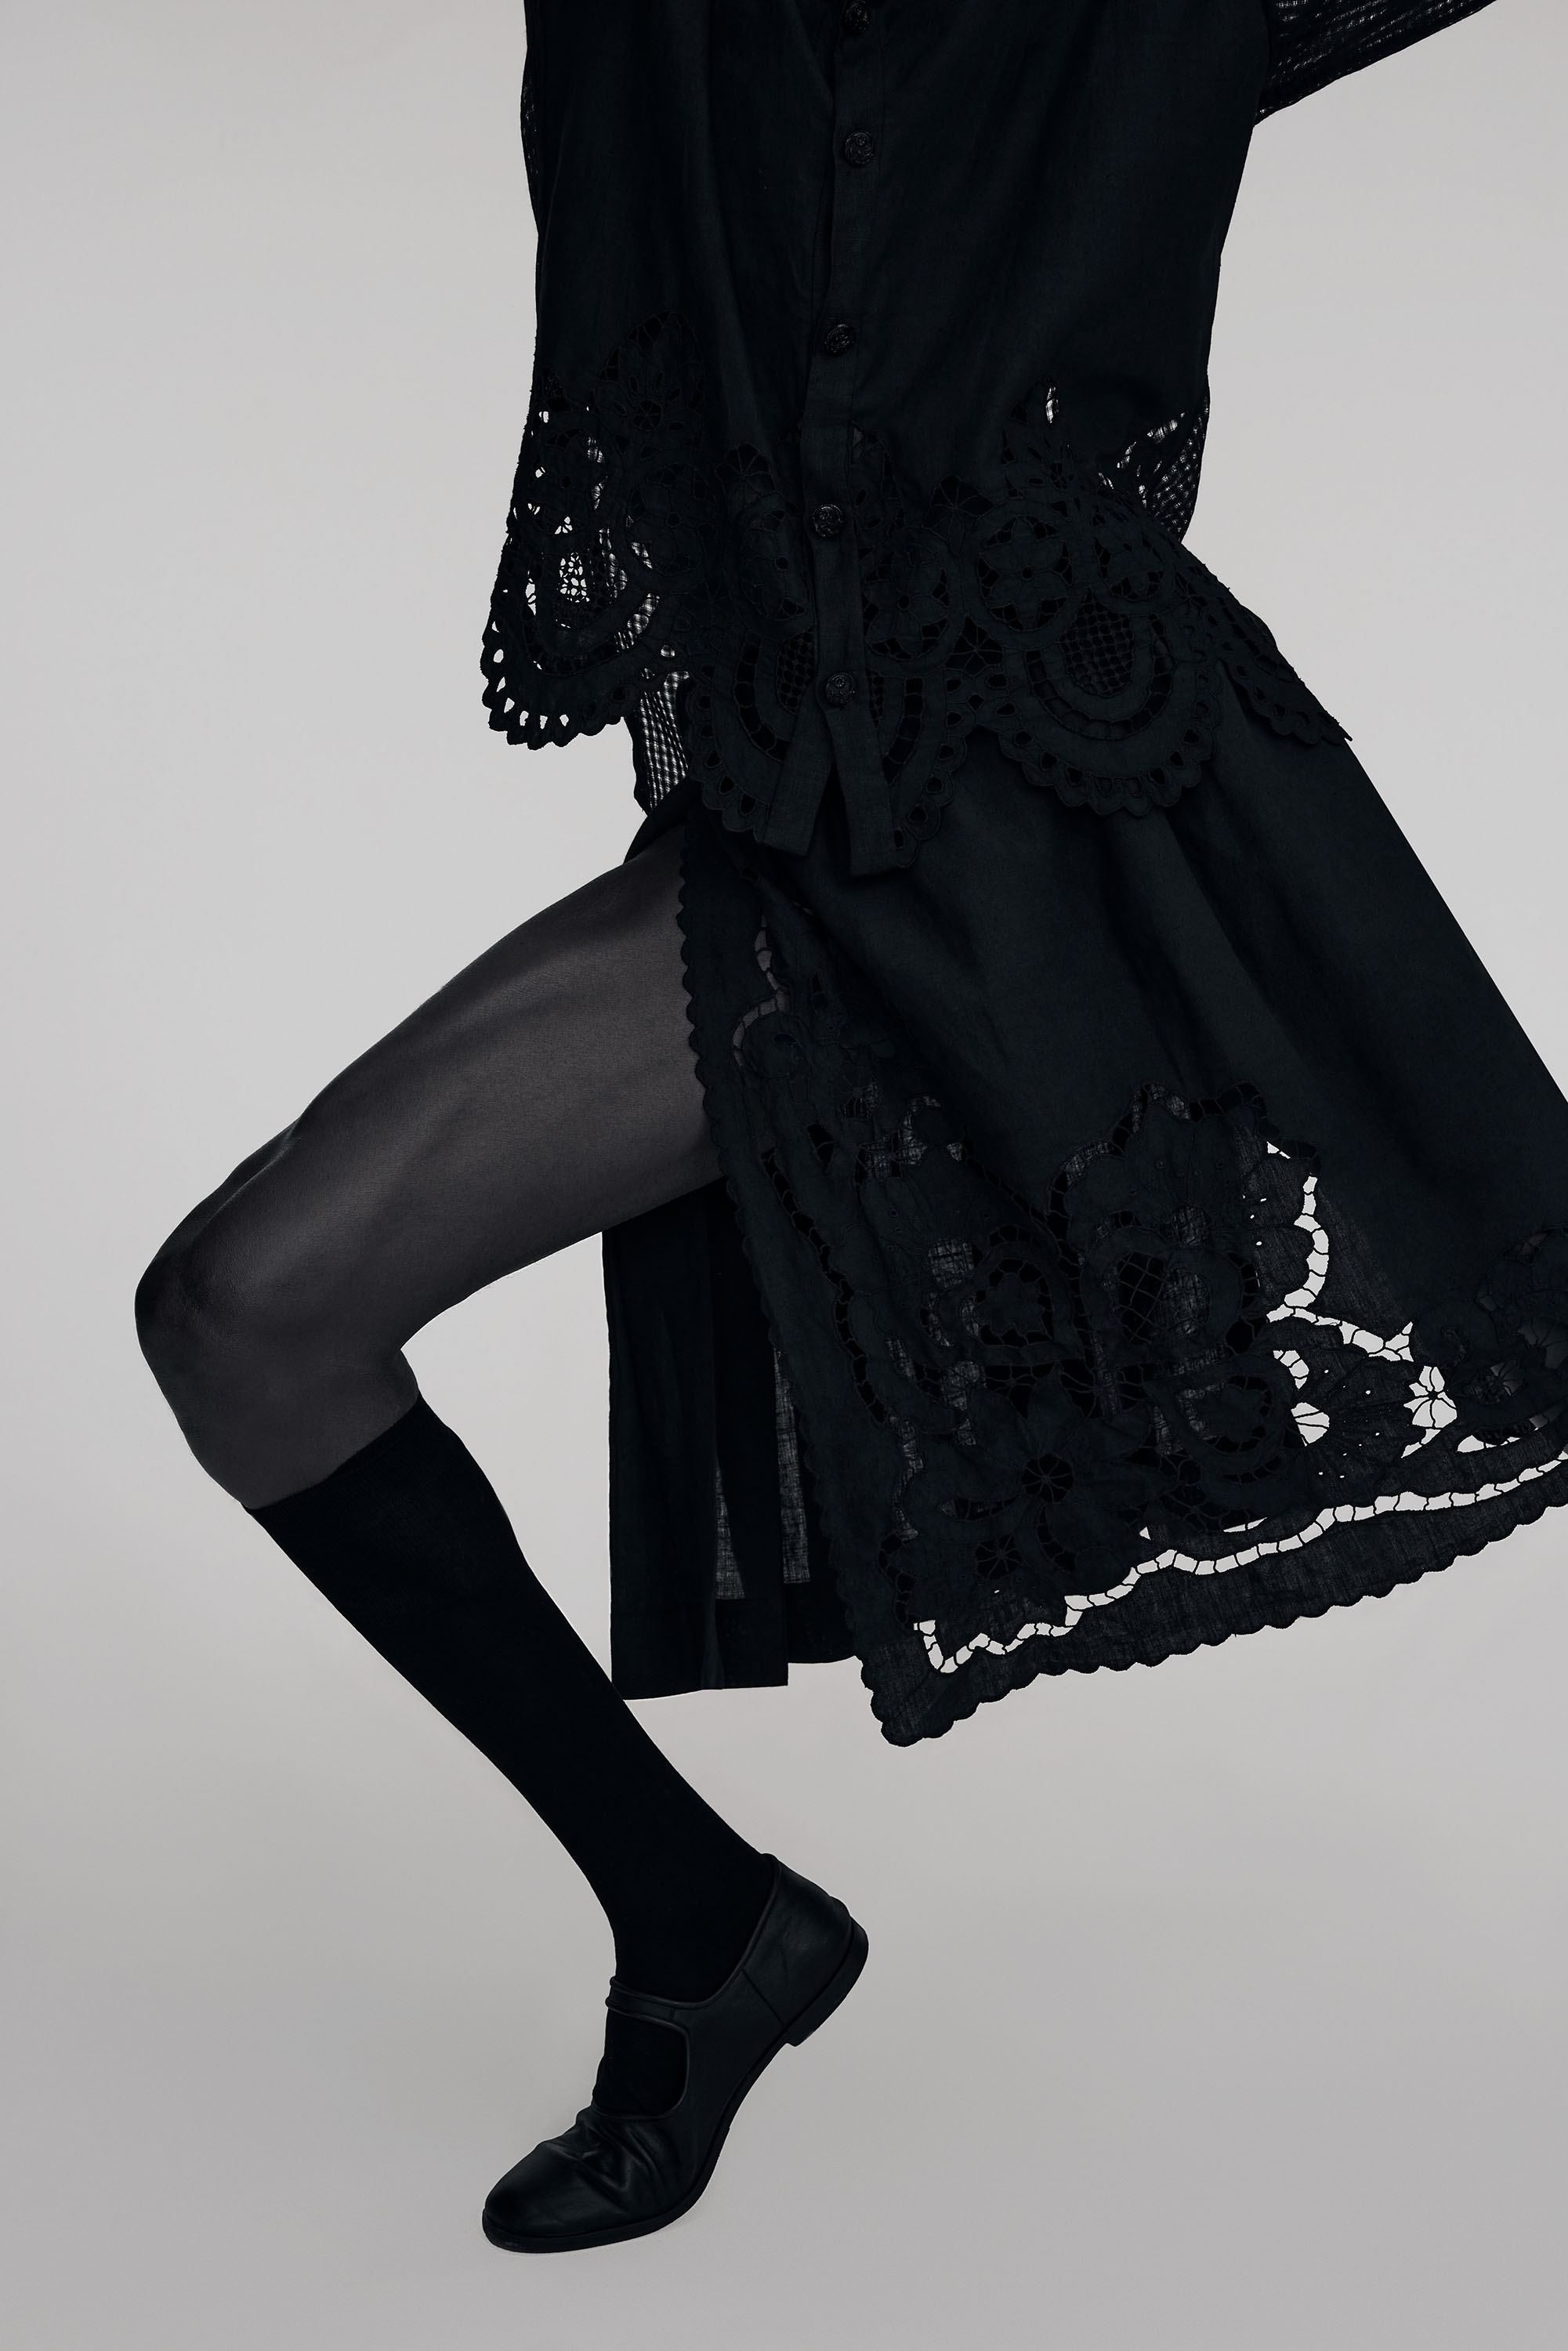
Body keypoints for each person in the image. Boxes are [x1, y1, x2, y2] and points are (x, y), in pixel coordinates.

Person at [137, 0, 1563, 2258]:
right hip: (807, 840)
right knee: (246, 1315)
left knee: (248, 1310)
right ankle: (705, 1925)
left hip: (1084, 833)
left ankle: (703, 1944)